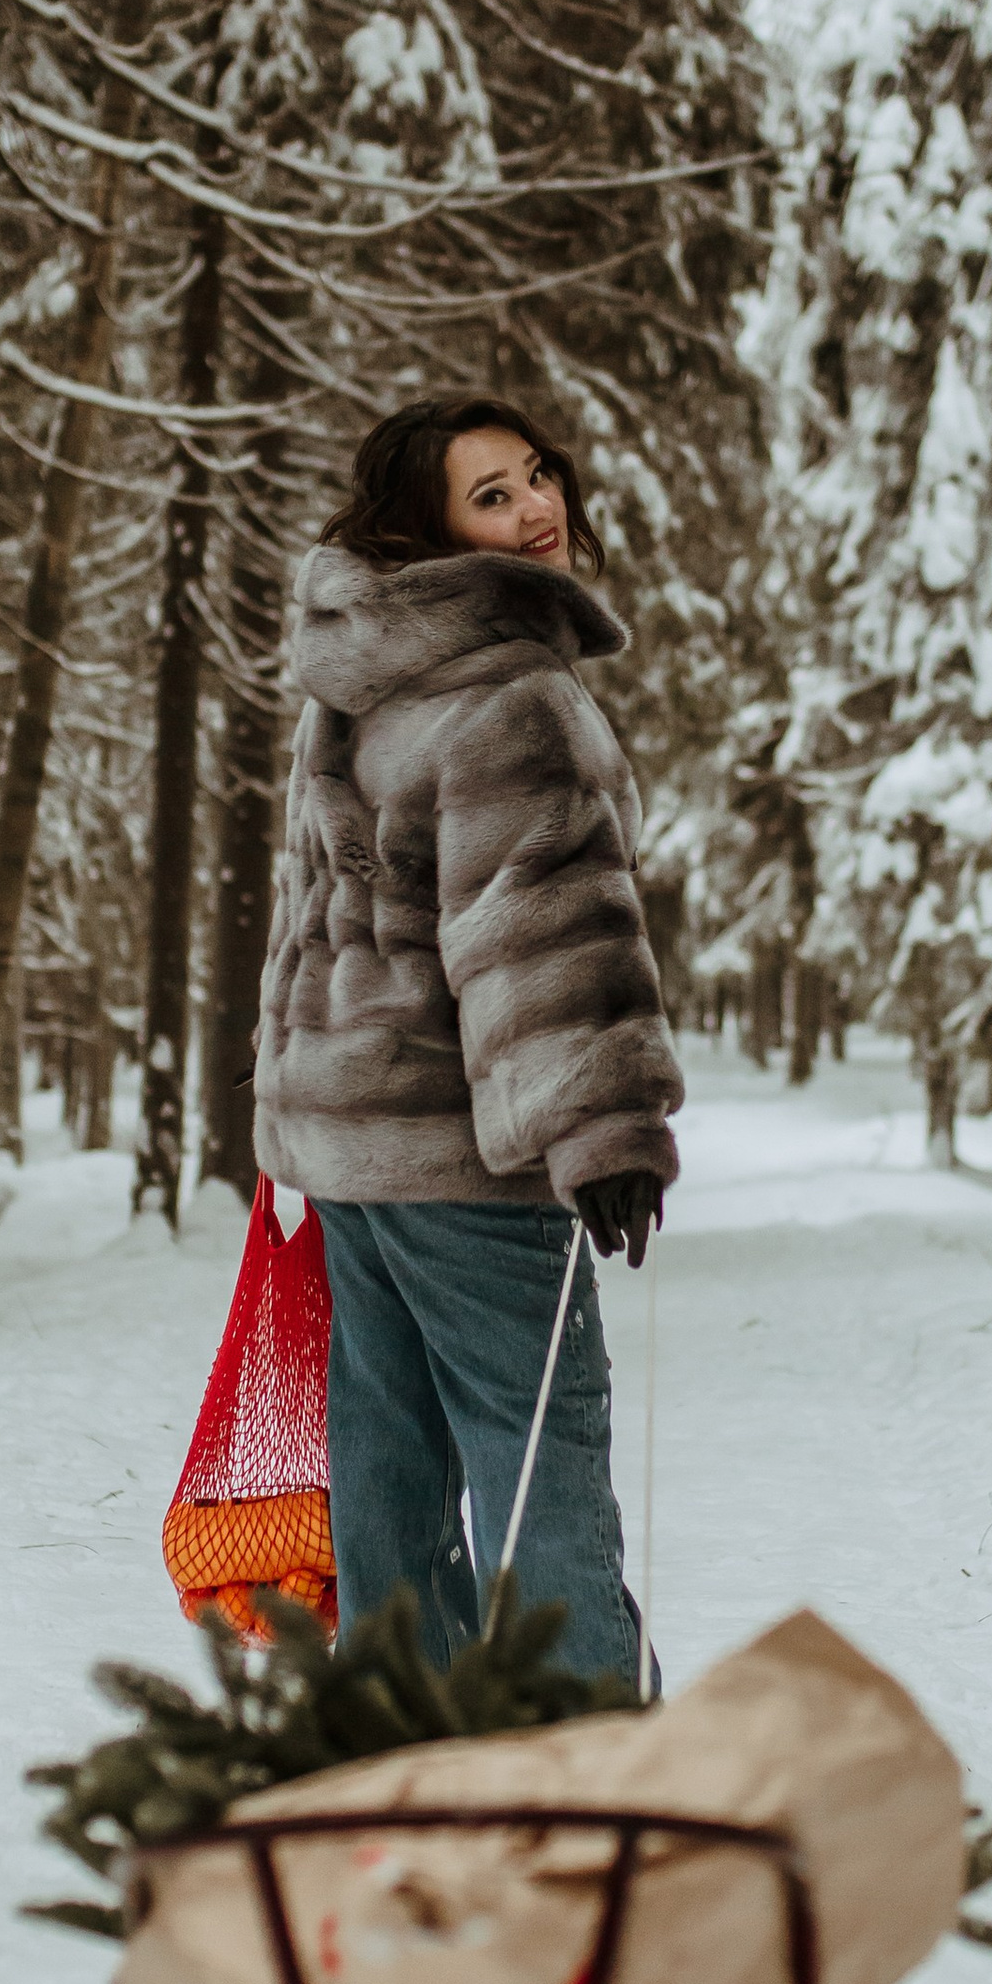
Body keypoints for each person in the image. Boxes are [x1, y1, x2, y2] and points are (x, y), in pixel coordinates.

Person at [252, 393, 680, 1697]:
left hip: (352, 1158)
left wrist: (298, 1116)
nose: (537, 505)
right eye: (491, 494)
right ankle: (591, 1760)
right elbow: (539, 930)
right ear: (429, 530)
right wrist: (604, 1129)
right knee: (541, 1454)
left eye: (538, 474)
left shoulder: (355, 681)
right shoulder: (511, 689)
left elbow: (317, 918)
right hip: (462, 1156)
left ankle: (401, 1748)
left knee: (393, 1477)